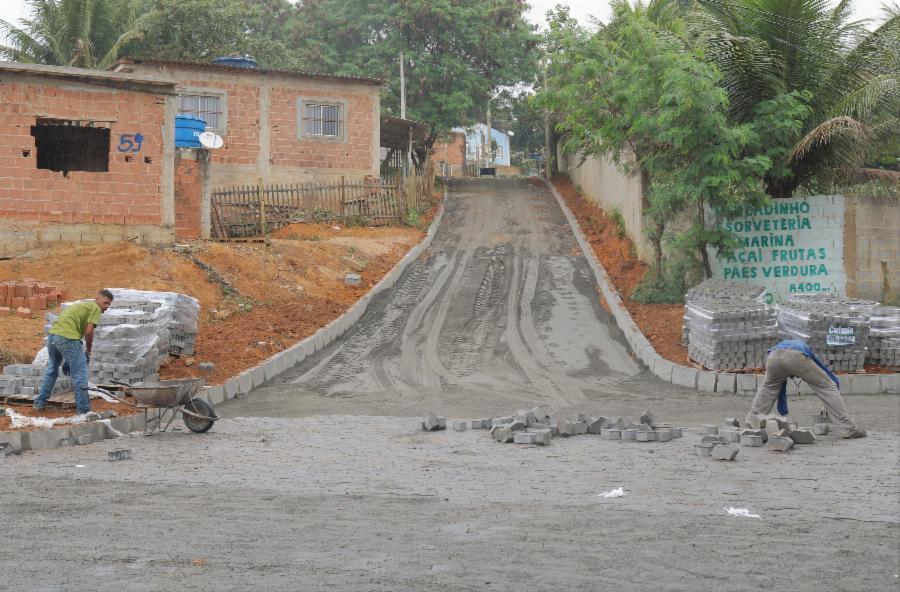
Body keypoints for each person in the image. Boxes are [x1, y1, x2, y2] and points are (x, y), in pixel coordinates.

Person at [745, 339, 866, 438]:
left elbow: (781, 375)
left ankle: (751, 424)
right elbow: (823, 371)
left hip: (772, 357)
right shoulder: (805, 350)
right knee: (826, 385)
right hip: (795, 356)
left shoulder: (782, 344)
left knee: (768, 387)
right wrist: (835, 382)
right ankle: (847, 427)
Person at [33, 289, 114, 415]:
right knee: (80, 374)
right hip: (68, 339)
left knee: (52, 370)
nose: (107, 307)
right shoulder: (95, 308)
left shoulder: (82, 305)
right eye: (105, 303)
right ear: (97, 299)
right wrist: (89, 351)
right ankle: (83, 411)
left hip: (53, 336)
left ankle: (39, 403)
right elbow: (89, 332)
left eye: (109, 304)